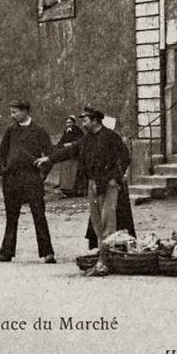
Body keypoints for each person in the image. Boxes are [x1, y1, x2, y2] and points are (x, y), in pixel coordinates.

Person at [42, 106, 132, 274]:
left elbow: (125, 157)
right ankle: (102, 256)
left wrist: (113, 178)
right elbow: (70, 150)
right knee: (97, 222)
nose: (82, 122)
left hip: (108, 185)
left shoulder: (111, 137)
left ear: (95, 120)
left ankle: (107, 259)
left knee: (108, 222)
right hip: (92, 183)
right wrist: (50, 159)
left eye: (85, 119)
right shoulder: (87, 139)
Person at [0, 100, 56, 264]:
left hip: (32, 178)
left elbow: (50, 155)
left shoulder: (39, 130)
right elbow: (1, 154)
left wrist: (42, 175)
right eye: (11, 112)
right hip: (12, 179)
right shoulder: (11, 130)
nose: (13, 115)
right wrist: (3, 172)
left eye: (15, 112)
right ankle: (6, 252)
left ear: (25, 111)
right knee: (11, 216)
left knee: (38, 215)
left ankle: (47, 253)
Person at [53, 116, 85, 197]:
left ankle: (76, 190)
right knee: (65, 173)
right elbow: (61, 141)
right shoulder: (65, 132)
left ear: (74, 123)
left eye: (70, 122)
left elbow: (80, 141)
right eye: (67, 123)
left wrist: (71, 144)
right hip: (66, 155)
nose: (68, 124)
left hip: (74, 155)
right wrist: (61, 145)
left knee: (73, 172)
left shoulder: (78, 131)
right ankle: (66, 190)